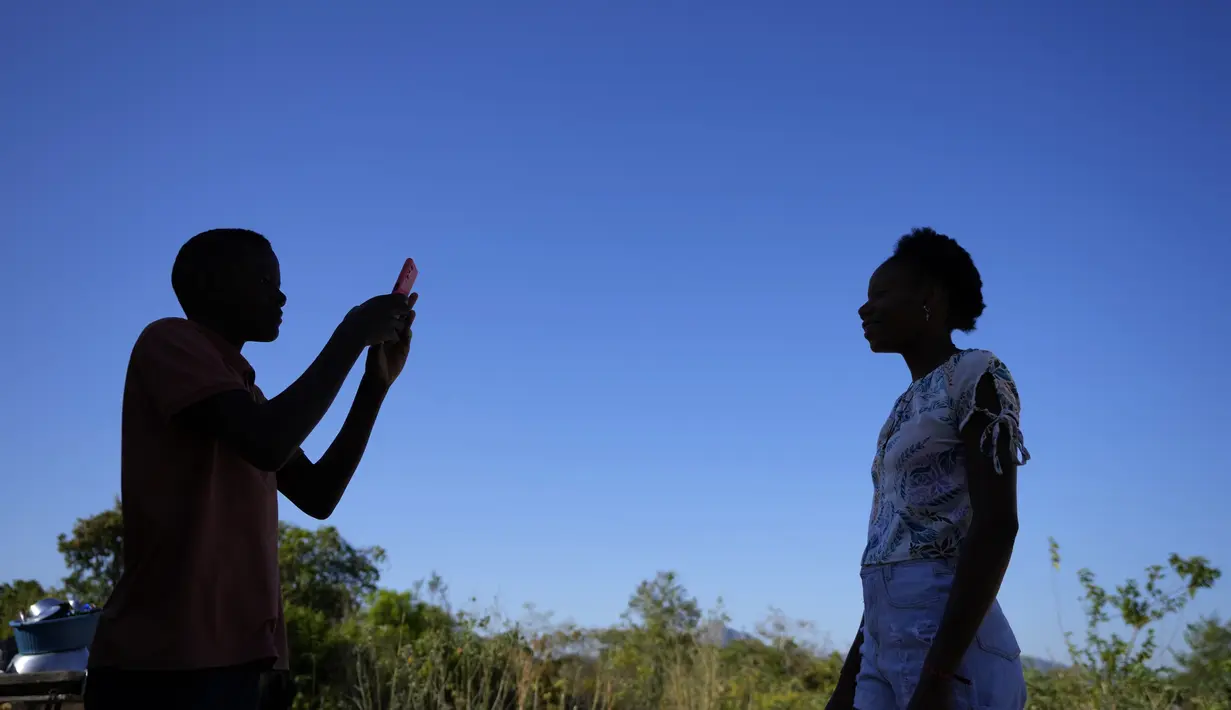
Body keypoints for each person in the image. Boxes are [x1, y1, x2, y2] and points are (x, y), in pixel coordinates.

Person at [84, 228, 418, 710]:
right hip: (165, 667)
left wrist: (375, 385)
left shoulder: (248, 400)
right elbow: (267, 441)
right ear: (211, 284)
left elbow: (319, 494)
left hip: (245, 665)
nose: (280, 294)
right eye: (264, 279)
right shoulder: (168, 342)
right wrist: (349, 335)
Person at [827, 228, 1030, 710]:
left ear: (929, 299)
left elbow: (998, 524)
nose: (864, 308)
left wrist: (939, 674)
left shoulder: (977, 373)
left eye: (881, 294)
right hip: (882, 642)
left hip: (948, 648)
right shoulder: (903, 408)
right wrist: (848, 679)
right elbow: (890, 544)